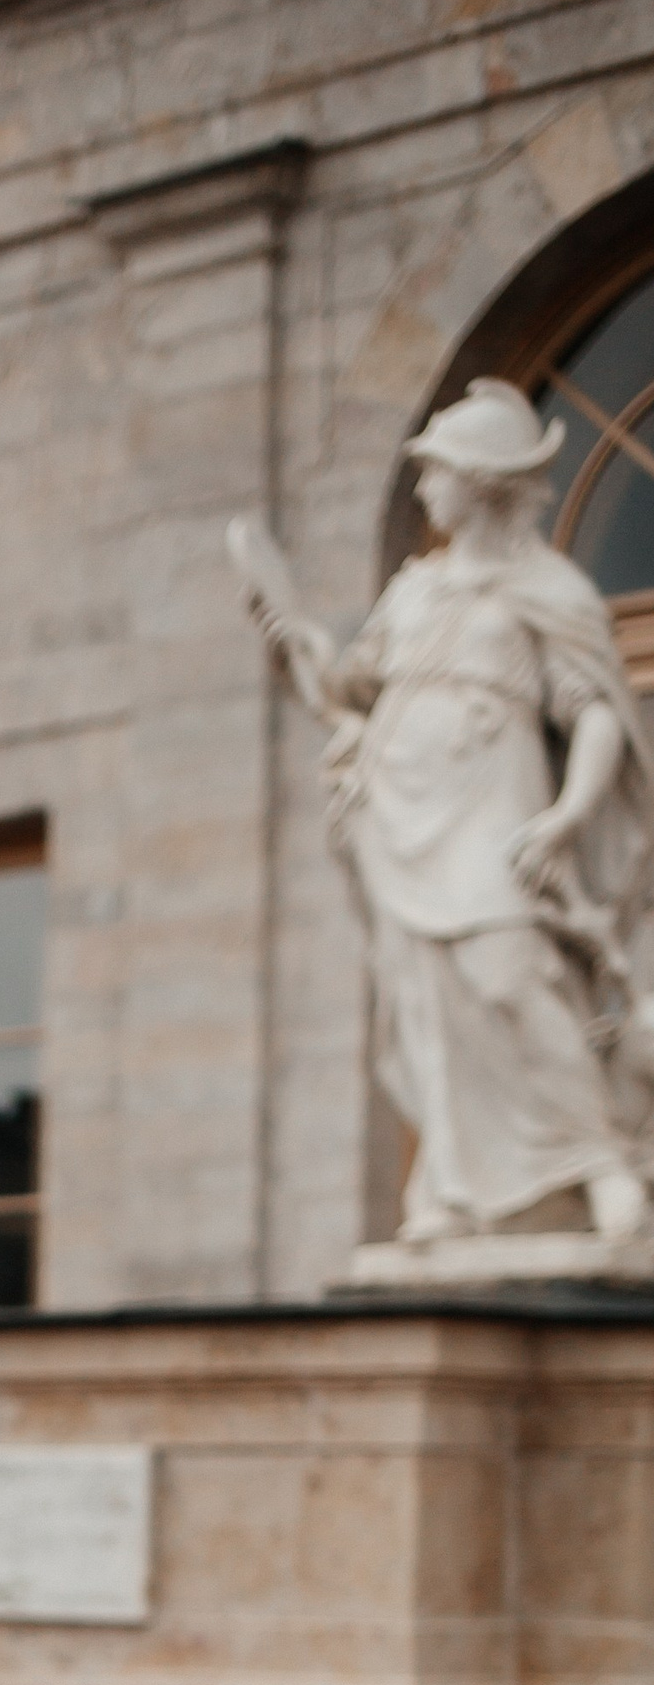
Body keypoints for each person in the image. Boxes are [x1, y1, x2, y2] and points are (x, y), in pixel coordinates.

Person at [241, 377, 654, 1244]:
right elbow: (350, 691)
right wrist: (299, 642)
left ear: (483, 481)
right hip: (397, 810)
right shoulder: (415, 590)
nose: (425, 486)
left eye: (437, 471)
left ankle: (600, 1163)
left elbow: (595, 715)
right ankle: (458, 1188)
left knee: (510, 972)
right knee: (425, 998)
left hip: (493, 802)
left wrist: (571, 816)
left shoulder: (548, 589)